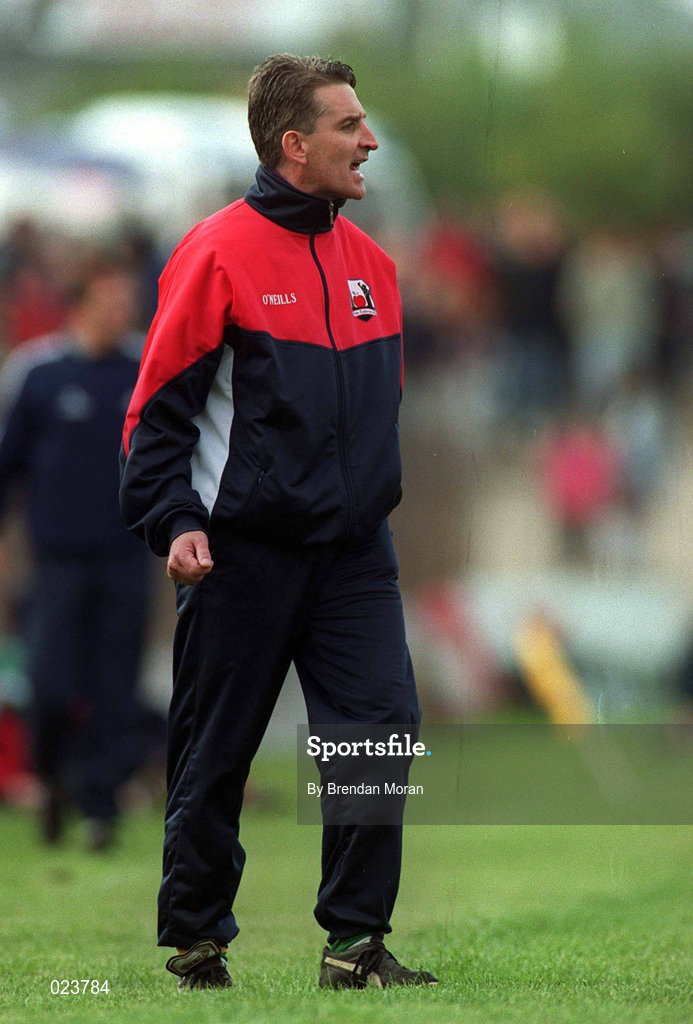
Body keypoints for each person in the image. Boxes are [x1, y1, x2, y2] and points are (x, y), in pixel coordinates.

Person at [120, 54, 438, 991]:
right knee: (215, 754)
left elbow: (377, 413)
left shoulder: (374, 266)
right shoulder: (214, 252)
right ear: (294, 145)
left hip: (353, 556)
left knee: (378, 731)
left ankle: (354, 943)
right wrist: (172, 519)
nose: (368, 140)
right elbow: (154, 416)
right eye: (349, 127)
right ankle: (196, 937)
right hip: (241, 553)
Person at [0, 256, 150, 851]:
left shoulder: (144, 369)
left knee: (116, 685)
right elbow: (7, 466)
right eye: (111, 301)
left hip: (124, 555)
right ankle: (52, 778)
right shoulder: (37, 372)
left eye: (127, 301)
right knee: (51, 684)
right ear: (81, 303)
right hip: (57, 561)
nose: (122, 312)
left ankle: (100, 809)